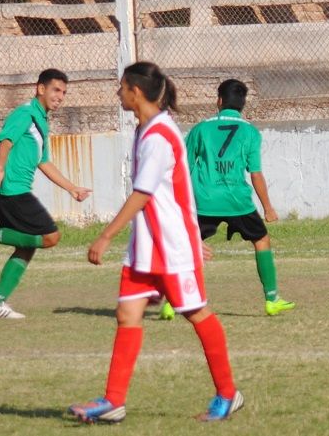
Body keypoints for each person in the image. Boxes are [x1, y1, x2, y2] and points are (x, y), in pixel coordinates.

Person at [69, 62, 243, 423]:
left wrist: (105, 236)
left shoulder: (159, 136)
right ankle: (113, 401)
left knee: (196, 312)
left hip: (171, 247)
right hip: (146, 248)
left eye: (122, 87)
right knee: (127, 315)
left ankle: (228, 394)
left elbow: (144, 194)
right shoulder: (144, 129)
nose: (118, 93)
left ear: (136, 92)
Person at [0, 69, 91, 319]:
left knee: (26, 247)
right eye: (56, 90)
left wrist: (72, 188)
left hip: (17, 190)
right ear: (41, 89)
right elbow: (6, 142)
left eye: (64, 92)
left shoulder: (41, 121)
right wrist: (0, 167)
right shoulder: (25, 114)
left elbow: (43, 163)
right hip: (12, 189)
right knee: (50, 237)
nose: (60, 96)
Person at [168, 78, 294, 317]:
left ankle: (172, 302)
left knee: (187, 246)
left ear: (219, 101)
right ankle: (272, 299)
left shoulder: (200, 129)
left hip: (204, 198)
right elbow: (255, 173)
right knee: (261, 240)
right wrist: (268, 208)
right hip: (237, 200)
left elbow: (183, 166)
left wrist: (179, 200)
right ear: (243, 104)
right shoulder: (250, 132)